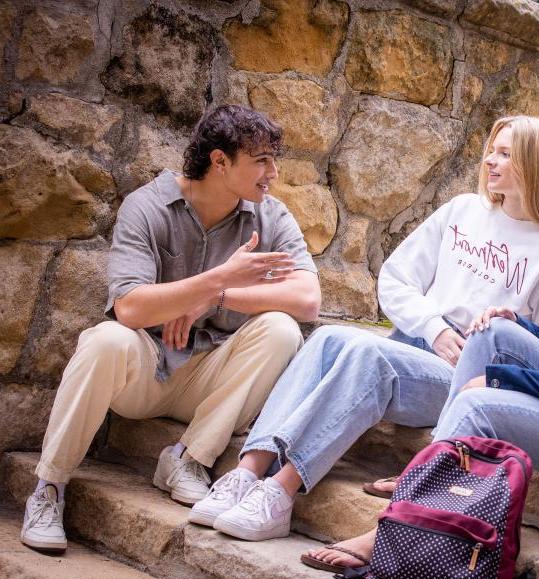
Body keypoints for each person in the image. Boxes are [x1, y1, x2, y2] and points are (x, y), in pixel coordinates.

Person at [301, 143, 539, 573]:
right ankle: (430, 467)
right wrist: (519, 326)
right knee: (492, 331)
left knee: (477, 402)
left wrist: (502, 380)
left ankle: (386, 532)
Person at [188, 115, 539, 542]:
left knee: (368, 355)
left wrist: (475, 355)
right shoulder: (463, 211)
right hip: (418, 343)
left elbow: (538, 353)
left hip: (461, 379)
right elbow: (394, 279)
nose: (489, 161)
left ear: (536, 164)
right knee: (330, 337)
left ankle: (281, 493)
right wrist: (433, 328)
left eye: (505, 154)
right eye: (492, 150)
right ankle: (248, 472)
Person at [20, 105, 321, 553]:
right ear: (220, 161)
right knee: (104, 339)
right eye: (261, 160)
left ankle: (188, 459)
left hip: (211, 380)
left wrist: (215, 297)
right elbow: (128, 307)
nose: (273, 172)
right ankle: (48, 489)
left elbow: (308, 299)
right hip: (143, 372)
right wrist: (217, 278)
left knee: (280, 329)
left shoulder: (271, 217)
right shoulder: (148, 206)